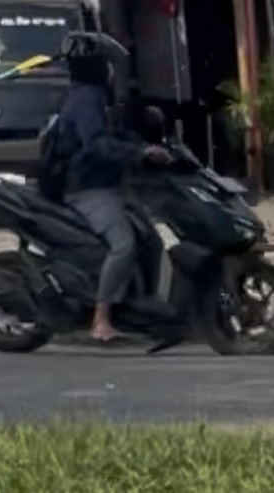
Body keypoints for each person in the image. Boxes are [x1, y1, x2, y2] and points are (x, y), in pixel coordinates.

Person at [56, 39, 166, 342]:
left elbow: (116, 136)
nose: (110, 72)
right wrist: (139, 154)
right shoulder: (86, 100)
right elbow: (98, 145)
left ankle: (140, 307)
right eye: (106, 66)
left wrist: (145, 144)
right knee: (124, 244)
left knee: (152, 241)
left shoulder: (95, 99)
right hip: (87, 189)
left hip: (107, 186)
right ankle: (101, 319)